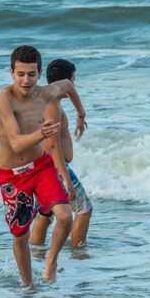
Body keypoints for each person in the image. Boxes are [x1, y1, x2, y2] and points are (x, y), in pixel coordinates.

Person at [0, 45, 87, 285]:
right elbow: (15, 143)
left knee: (65, 216)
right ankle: (28, 288)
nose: (26, 80)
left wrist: (80, 113)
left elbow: (67, 85)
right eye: (21, 74)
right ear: (12, 73)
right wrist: (42, 133)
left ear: (39, 74)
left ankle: (51, 262)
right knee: (20, 236)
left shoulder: (46, 93)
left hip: (41, 167)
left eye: (32, 74)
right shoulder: (5, 99)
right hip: (13, 176)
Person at [30, 59, 94, 249]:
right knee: (83, 208)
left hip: (43, 166)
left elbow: (70, 89)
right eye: (73, 80)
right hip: (55, 167)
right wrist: (66, 179)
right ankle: (78, 251)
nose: (73, 85)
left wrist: (80, 115)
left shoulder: (49, 96)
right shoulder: (52, 106)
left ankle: (35, 250)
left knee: (46, 212)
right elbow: (53, 146)